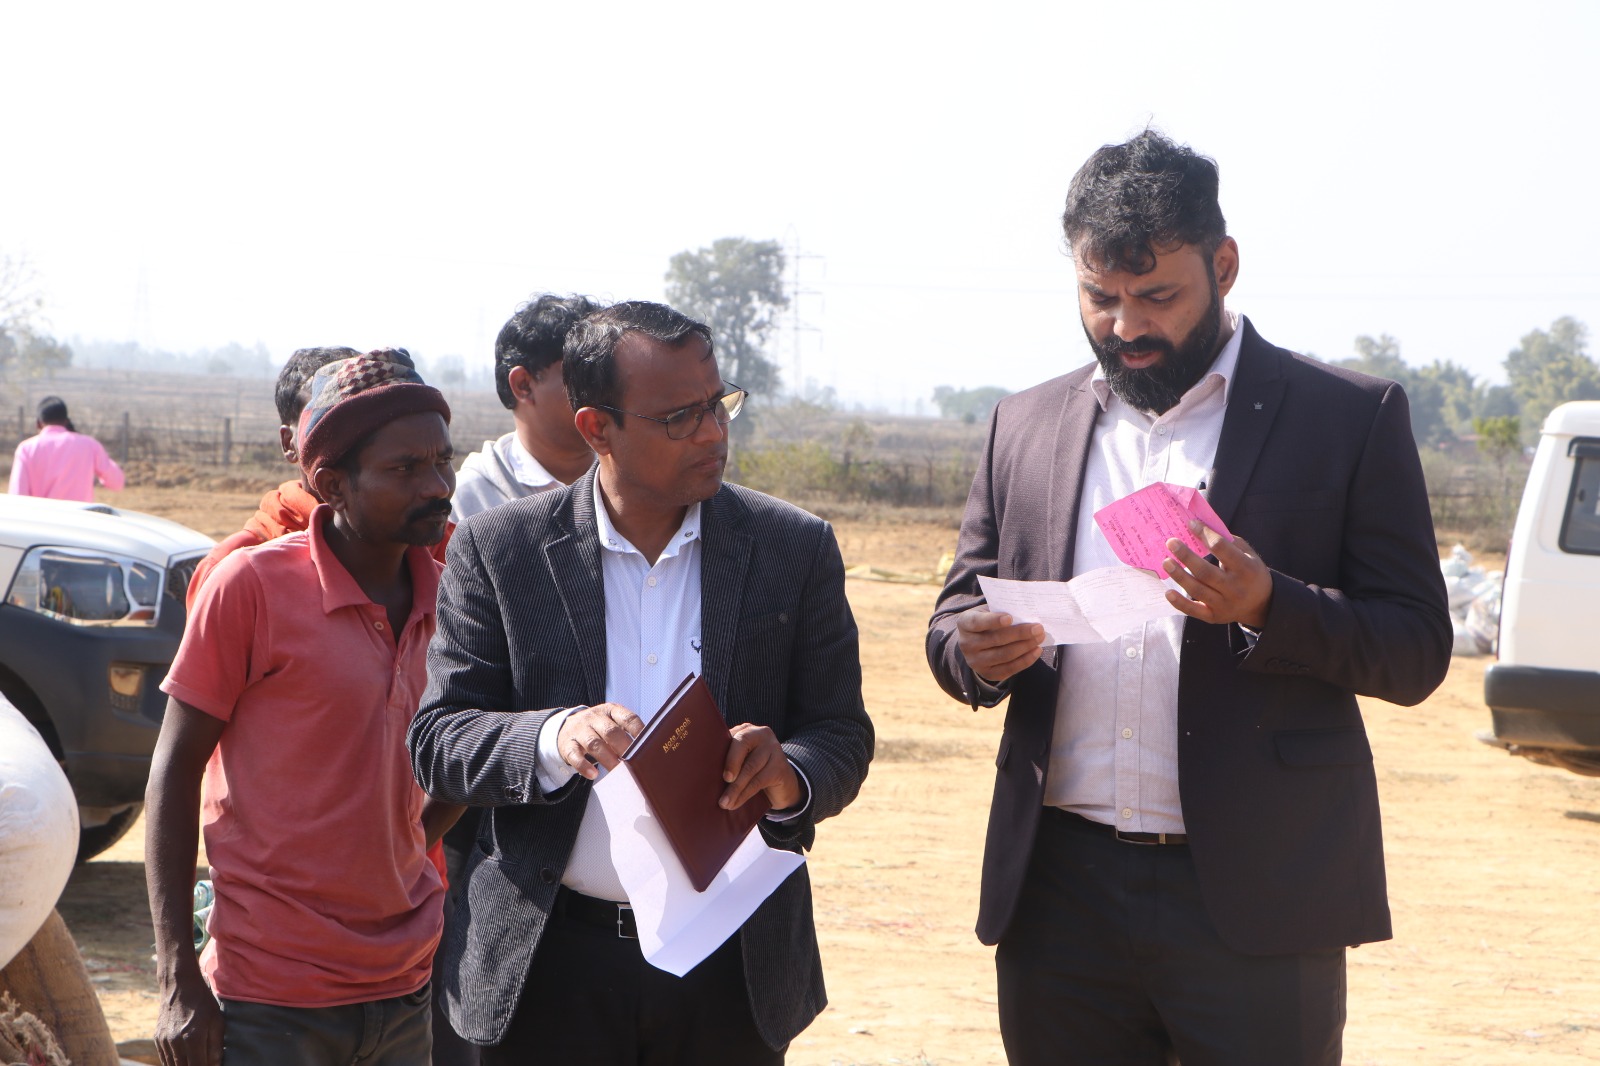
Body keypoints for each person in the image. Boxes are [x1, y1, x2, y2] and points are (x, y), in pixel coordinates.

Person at [926, 130, 1453, 1065]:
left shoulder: (1347, 418)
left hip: (1258, 895)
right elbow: (952, 618)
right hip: (1059, 897)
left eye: (1157, 297)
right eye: (1100, 297)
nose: (1126, 326)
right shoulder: (1025, 423)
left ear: (1225, 265)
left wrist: (1269, 604)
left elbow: (1415, 650)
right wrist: (975, 653)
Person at [408, 300, 873, 1063]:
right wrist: (554, 737)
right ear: (597, 428)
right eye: (680, 418)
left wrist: (789, 774)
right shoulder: (502, 550)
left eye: (718, 405)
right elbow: (440, 739)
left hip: (732, 967)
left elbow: (841, 733)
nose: (714, 433)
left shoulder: (793, 549)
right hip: (548, 964)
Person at [144, 350, 463, 1066]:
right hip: (268, 994)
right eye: (405, 469)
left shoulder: (454, 600)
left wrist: (404, 849)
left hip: (404, 985)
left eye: (443, 461)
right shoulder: (250, 587)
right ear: (331, 482)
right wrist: (176, 974)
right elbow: (174, 771)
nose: (437, 486)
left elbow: (467, 758)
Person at [450, 293, 603, 521]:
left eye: (608, 374)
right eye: (585, 374)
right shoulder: (470, 501)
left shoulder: (637, 483)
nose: (604, 389)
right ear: (524, 385)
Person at [7, 396, 124, 501]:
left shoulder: (26, 449)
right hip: (80, 517)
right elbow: (117, 483)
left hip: (42, 517)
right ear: (66, 421)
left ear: (38, 423)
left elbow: (17, 496)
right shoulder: (89, 445)